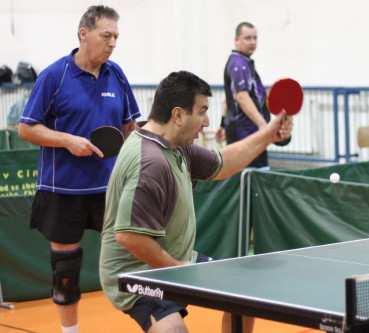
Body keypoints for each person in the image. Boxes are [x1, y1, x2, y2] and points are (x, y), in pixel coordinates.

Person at [99, 70, 293, 333]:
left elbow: (223, 164)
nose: (207, 121)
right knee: (173, 331)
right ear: (178, 115)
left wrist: (269, 134)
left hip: (176, 258)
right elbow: (130, 238)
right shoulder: (150, 162)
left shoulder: (174, 143)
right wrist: (182, 272)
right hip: (135, 271)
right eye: (201, 111)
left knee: (245, 294)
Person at [17, 5, 140, 333]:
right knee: (66, 271)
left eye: (116, 36)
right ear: (83, 34)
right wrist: (67, 141)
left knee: (135, 257)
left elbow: (131, 128)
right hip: (63, 191)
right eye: (106, 35)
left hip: (109, 188)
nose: (112, 43)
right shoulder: (54, 76)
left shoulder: (117, 74)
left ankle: (158, 322)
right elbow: (27, 128)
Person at [223, 21, 291, 168]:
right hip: (246, 134)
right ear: (236, 40)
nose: (252, 42)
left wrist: (222, 124)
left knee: (254, 177)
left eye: (255, 38)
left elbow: (227, 99)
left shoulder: (245, 62)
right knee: (253, 178)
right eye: (247, 38)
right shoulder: (238, 63)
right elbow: (241, 96)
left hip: (250, 133)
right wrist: (263, 126)